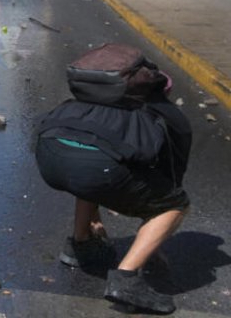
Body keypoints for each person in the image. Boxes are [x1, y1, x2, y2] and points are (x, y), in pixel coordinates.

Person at [34, 43, 191, 315]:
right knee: (174, 205)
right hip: (95, 170)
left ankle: (79, 245)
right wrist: (151, 215)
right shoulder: (156, 114)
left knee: (93, 168)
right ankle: (126, 280)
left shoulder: (80, 104)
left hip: (50, 159)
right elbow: (172, 173)